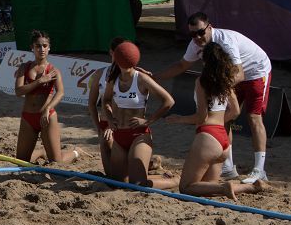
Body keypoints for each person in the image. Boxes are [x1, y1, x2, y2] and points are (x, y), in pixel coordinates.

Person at [153, 12, 273, 184]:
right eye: (192, 34)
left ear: (209, 27)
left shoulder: (225, 41)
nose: (197, 37)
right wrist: (155, 77)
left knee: (254, 117)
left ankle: (259, 169)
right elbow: (181, 65)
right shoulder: (195, 44)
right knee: (225, 117)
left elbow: (239, 74)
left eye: (201, 32)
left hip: (255, 71)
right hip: (227, 76)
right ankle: (229, 167)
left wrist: (213, 85)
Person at [166, 43, 269, 199]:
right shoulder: (226, 82)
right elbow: (235, 111)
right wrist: (219, 122)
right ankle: (249, 187)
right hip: (223, 139)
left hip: (208, 137)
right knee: (206, 189)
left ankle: (225, 187)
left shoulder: (201, 81)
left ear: (205, 61)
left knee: (185, 187)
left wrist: (180, 119)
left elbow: (202, 116)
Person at [100, 42, 177, 188]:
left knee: (138, 185)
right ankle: (152, 165)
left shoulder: (141, 78)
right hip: (120, 134)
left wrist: (148, 121)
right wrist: (110, 119)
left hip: (138, 135)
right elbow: (105, 101)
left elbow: (169, 101)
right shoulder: (113, 78)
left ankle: (175, 180)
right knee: (118, 184)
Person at [14, 30, 80, 166]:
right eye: (38, 46)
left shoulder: (53, 70)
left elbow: (61, 92)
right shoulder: (24, 67)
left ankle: (75, 152)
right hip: (28, 117)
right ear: (32, 48)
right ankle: (41, 152)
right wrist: (39, 81)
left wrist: (48, 108)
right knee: (21, 162)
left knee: (57, 162)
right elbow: (18, 91)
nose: (42, 49)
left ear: (49, 47)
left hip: (47, 116)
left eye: (45, 46)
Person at [87, 36, 127, 176]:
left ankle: (152, 165)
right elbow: (92, 103)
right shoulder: (100, 73)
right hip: (106, 124)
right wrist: (98, 127)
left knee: (120, 176)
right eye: (119, 52)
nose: (122, 55)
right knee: (112, 175)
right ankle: (152, 164)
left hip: (124, 124)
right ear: (111, 52)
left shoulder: (132, 74)